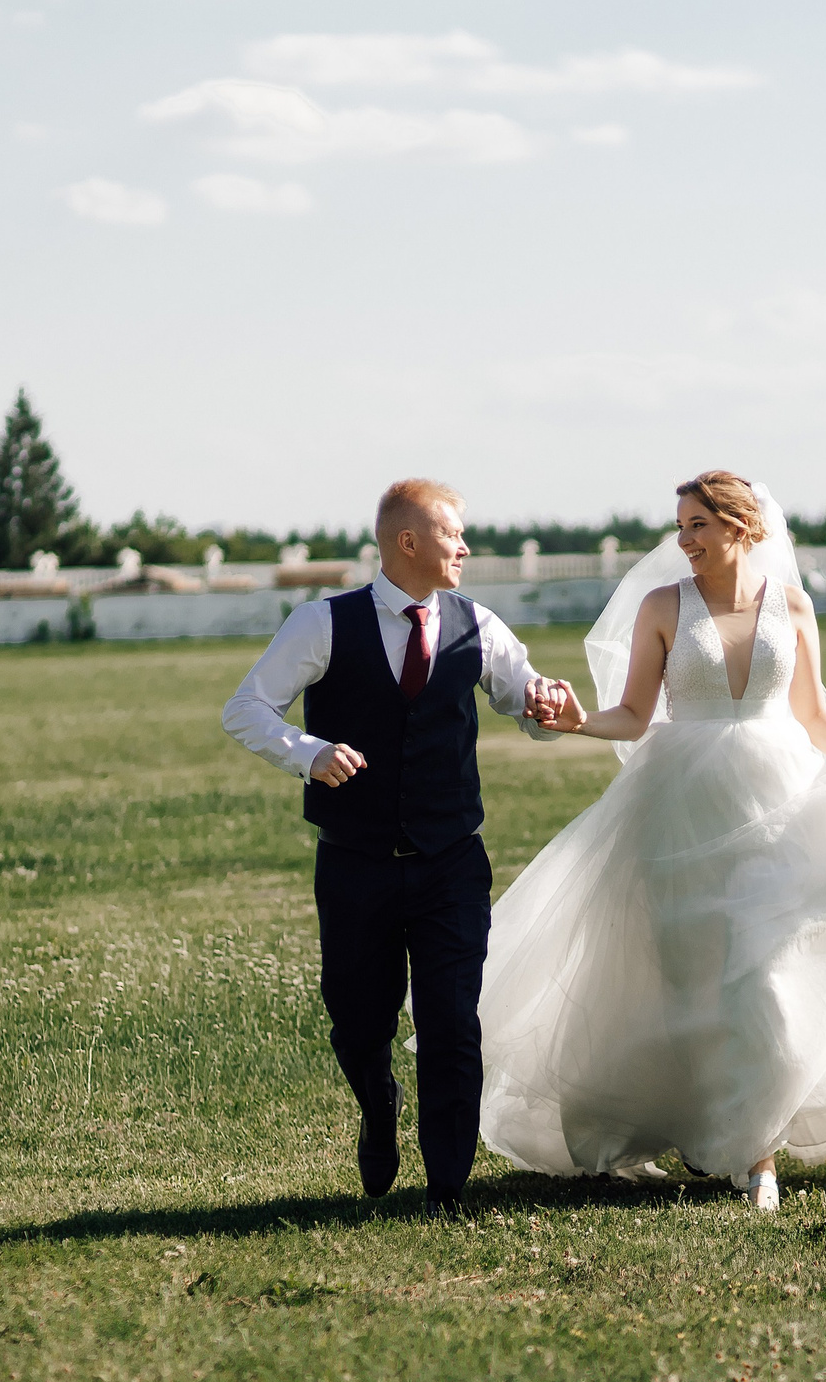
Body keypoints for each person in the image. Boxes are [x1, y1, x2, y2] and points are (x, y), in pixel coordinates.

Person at [482, 471, 826, 1213]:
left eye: (698, 525)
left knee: (763, 976)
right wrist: (576, 722)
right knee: (691, 983)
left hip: (781, 802)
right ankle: (703, 1126)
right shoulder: (663, 606)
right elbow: (635, 713)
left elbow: (812, 713)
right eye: (680, 527)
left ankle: (756, 1155)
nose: (684, 541)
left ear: (742, 526)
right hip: (680, 808)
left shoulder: (795, 608)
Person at [223, 479, 571, 1218]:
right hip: (354, 863)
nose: (466, 548)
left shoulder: (479, 624)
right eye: (454, 534)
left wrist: (548, 706)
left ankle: (447, 1188)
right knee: (358, 1019)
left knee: (451, 1022)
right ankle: (377, 1101)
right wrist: (308, 751)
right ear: (407, 541)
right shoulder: (322, 622)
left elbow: (528, 704)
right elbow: (246, 707)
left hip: (452, 863)